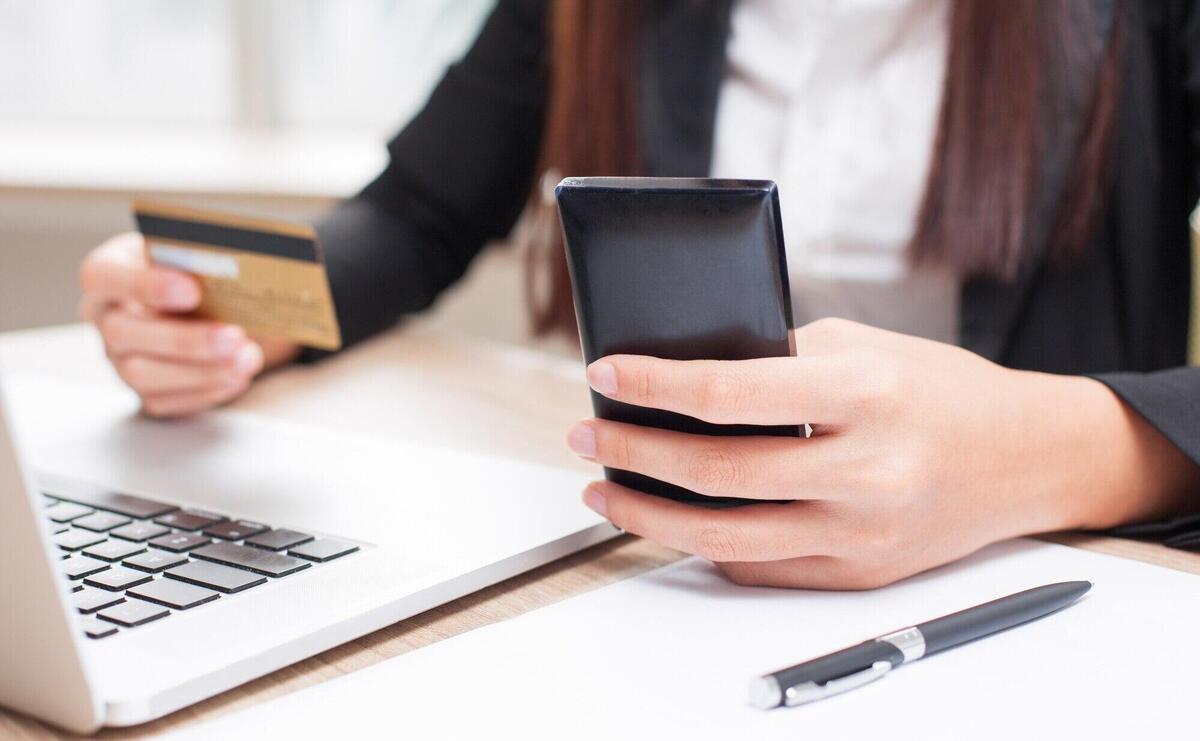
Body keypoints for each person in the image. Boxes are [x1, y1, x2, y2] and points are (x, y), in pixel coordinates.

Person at [76, 0, 1200, 589]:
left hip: (1036, 580)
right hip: (660, 568)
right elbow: (417, 212)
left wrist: (1050, 446)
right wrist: (236, 306)